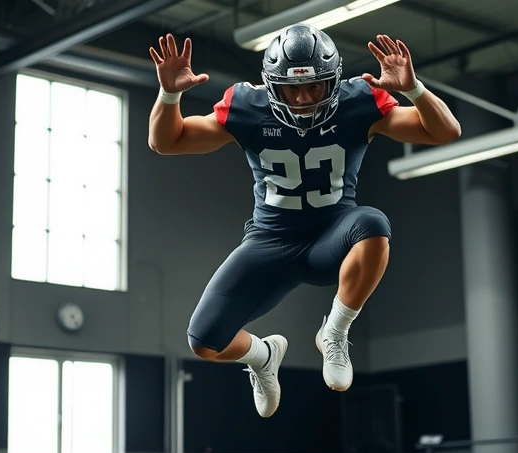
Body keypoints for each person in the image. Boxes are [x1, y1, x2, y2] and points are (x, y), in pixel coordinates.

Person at [148, 24, 461, 418]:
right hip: (270, 242)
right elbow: (166, 141)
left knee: (373, 225)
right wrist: (170, 93)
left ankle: (335, 330)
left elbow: (446, 132)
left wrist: (413, 90)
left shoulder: (359, 101)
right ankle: (262, 356)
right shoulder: (247, 107)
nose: (303, 98)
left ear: (333, 80)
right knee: (204, 341)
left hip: (334, 235)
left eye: (315, 87)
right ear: (270, 85)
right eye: (291, 89)